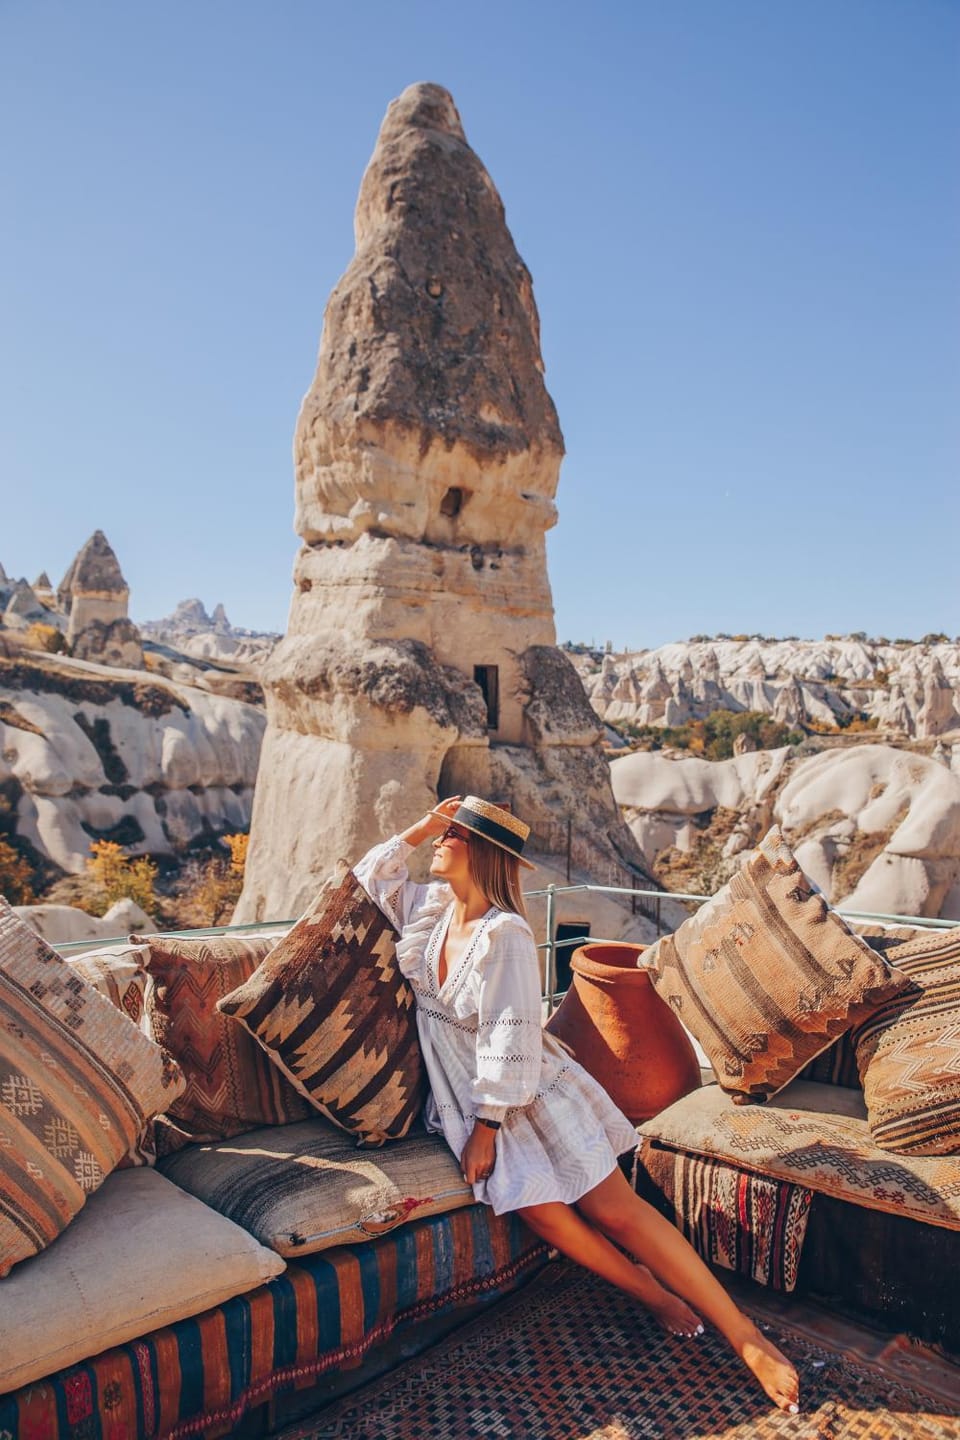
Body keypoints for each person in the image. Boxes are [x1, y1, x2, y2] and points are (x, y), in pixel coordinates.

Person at [355, 794, 800, 1414]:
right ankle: (649, 1291)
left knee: (618, 1213)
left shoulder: (503, 935)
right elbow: (372, 876)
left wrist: (487, 1128)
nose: (439, 843)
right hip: (471, 1100)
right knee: (541, 1213)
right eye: (442, 833)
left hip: (523, 1096)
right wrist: (423, 825)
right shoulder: (432, 918)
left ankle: (745, 1336)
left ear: (482, 853)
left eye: (452, 836)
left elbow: (509, 1030)